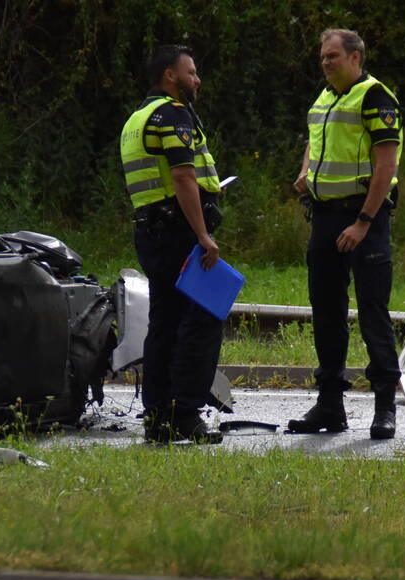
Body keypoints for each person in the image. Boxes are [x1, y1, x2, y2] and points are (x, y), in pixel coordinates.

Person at [287, 28, 402, 439]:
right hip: (325, 217)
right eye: (322, 57)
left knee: (373, 311)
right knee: (326, 311)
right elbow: (315, 142)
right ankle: (330, 404)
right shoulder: (324, 98)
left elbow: (385, 165)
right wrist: (305, 173)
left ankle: (385, 405)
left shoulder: (375, 97)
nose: (325, 62)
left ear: (355, 58)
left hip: (364, 219)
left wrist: (364, 222)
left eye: (333, 56)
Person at [119, 45, 224, 444]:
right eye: (191, 72)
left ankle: (158, 416)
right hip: (179, 230)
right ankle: (186, 414)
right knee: (203, 317)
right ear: (170, 76)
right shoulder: (173, 114)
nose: (197, 79)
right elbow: (183, 176)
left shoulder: (136, 118)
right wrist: (202, 235)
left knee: (163, 322)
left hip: (152, 231)